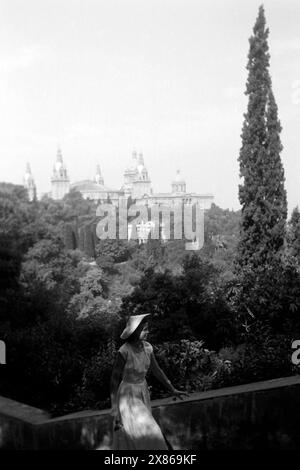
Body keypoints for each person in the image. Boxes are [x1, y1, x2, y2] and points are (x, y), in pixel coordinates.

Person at [110, 313, 188, 450]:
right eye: (144, 329)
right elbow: (114, 379)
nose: (148, 332)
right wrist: (115, 409)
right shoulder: (124, 351)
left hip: (142, 392)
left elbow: (157, 370)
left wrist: (172, 389)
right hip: (127, 396)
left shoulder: (147, 348)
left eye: (147, 328)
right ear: (135, 331)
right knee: (149, 431)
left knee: (142, 433)